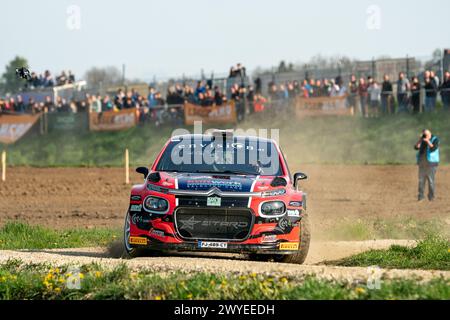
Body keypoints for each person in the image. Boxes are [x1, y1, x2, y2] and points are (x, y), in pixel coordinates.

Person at [414, 129, 440, 201]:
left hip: (431, 164)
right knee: (421, 180)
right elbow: (416, 147)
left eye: (426, 135)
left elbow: (433, 148)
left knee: (431, 181)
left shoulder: (435, 139)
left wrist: (428, 140)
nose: (425, 136)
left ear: (430, 134)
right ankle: (421, 197)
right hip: (422, 163)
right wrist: (420, 140)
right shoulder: (422, 140)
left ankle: (431, 197)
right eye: (424, 135)